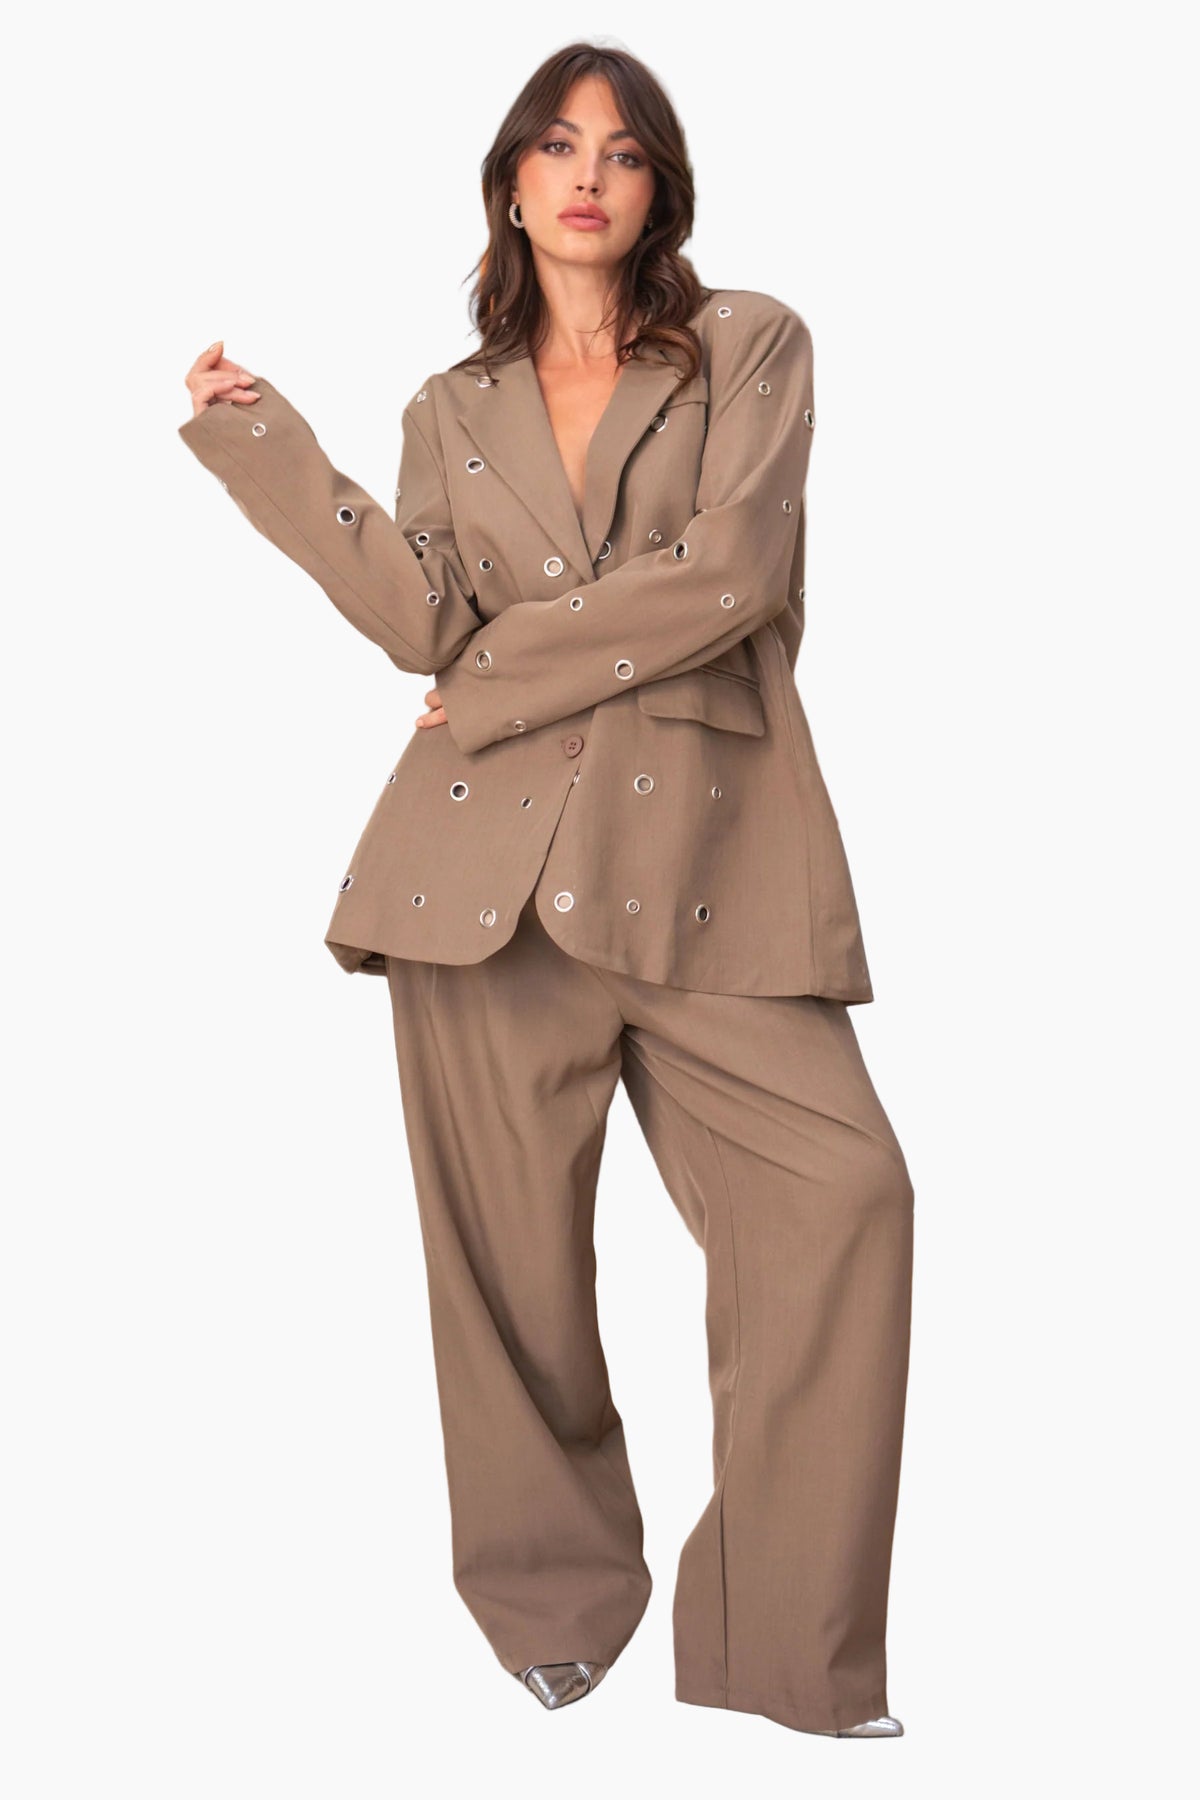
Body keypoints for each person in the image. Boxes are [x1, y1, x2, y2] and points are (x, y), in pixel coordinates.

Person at [178, 41, 915, 1741]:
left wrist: (500, 678)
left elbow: (733, 574)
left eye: (626, 151)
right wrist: (263, 446)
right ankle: (554, 1604)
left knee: (848, 1200)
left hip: (716, 864)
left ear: (661, 189)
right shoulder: (453, 408)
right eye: (559, 146)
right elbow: (423, 621)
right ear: (512, 182)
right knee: (505, 1278)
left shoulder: (749, 345)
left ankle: (786, 1652)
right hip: (478, 884)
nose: (590, 175)